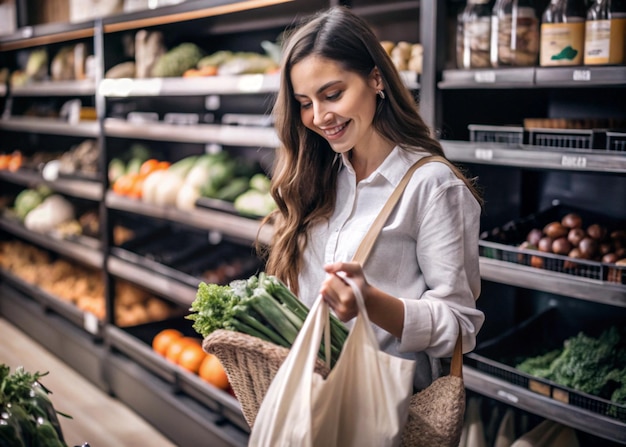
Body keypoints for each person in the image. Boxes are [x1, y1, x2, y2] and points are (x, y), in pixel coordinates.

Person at [258, 5, 485, 390]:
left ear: (376, 79)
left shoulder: (432, 186)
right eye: (305, 103)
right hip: (307, 395)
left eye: (332, 94)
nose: (319, 116)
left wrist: (371, 302)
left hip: (380, 409)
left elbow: (459, 328)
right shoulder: (319, 175)